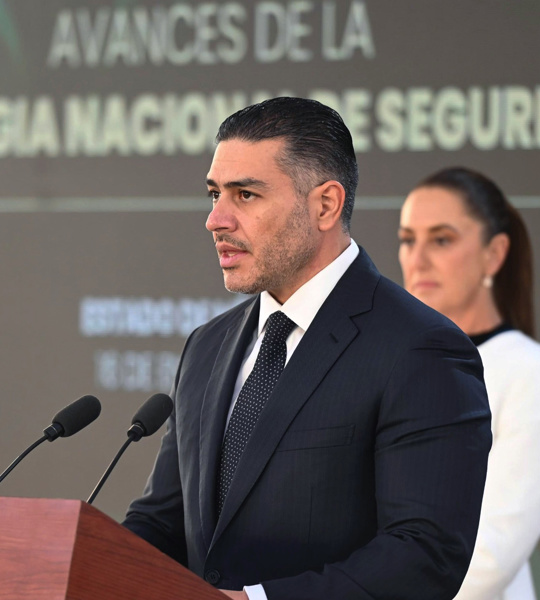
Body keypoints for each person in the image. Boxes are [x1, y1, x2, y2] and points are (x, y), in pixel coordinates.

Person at [123, 98, 492, 600]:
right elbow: (163, 523)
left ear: (325, 205)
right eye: (214, 194)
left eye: (245, 195)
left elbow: (424, 556)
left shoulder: (420, 348)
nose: (216, 220)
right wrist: (87, 565)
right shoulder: (206, 347)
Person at [397, 167, 540, 600]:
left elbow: (490, 556)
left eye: (441, 240)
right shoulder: (386, 362)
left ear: (494, 253)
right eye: (408, 240)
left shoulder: (535, 373)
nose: (417, 259)